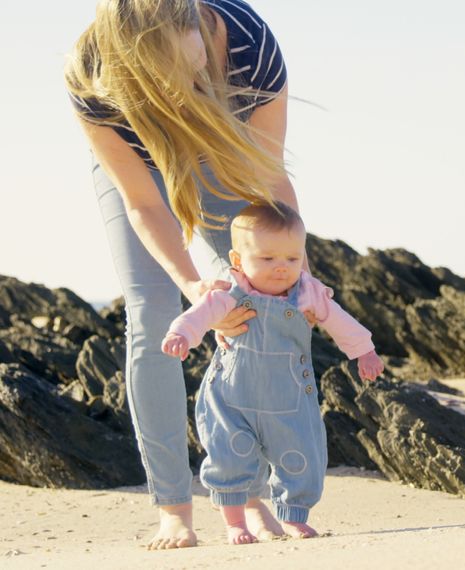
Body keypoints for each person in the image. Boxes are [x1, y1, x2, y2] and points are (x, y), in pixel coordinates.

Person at [66, 0, 298, 549]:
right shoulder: (91, 70)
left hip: (222, 142)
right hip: (139, 160)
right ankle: (173, 508)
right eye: (166, 75)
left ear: (196, 21)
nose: (185, 81)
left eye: (189, 64)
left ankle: (252, 494)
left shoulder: (250, 46)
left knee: (253, 309)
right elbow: (145, 204)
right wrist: (193, 285)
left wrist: (293, 276)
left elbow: (269, 180)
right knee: (152, 318)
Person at [161, 202, 383, 543]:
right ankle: (234, 522)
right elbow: (199, 315)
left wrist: (364, 351)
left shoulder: (307, 293)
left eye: (292, 259)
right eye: (267, 259)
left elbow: (340, 321)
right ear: (238, 261)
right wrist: (181, 334)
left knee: (301, 456)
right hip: (232, 396)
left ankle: (293, 516)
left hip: (290, 397)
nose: (281, 268)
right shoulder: (230, 294)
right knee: (229, 455)